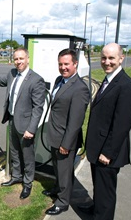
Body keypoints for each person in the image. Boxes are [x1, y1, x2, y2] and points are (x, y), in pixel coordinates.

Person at [0, 47, 46, 199]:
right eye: (16, 59)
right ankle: (16, 176)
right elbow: (0, 81)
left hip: (26, 126)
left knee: (27, 155)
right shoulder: (12, 74)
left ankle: (27, 184)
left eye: (21, 59)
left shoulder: (36, 80)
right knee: (13, 151)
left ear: (28, 59)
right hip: (12, 120)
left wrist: (31, 129)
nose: (18, 62)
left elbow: (38, 108)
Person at [77, 43, 131, 220]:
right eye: (104, 57)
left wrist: (108, 152)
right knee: (100, 188)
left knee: (106, 193)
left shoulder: (127, 87)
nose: (106, 62)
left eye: (111, 58)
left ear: (121, 58)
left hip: (107, 152)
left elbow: (122, 125)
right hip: (98, 147)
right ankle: (96, 210)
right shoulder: (108, 79)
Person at [43, 48, 90, 215]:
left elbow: (76, 121)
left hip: (65, 140)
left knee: (64, 171)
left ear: (75, 64)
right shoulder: (59, 80)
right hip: (54, 135)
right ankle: (58, 188)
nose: (63, 67)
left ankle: (62, 202)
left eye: (67, 64)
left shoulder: (80, 88)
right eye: (60, 64)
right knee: (58, 168)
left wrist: (66, 143)